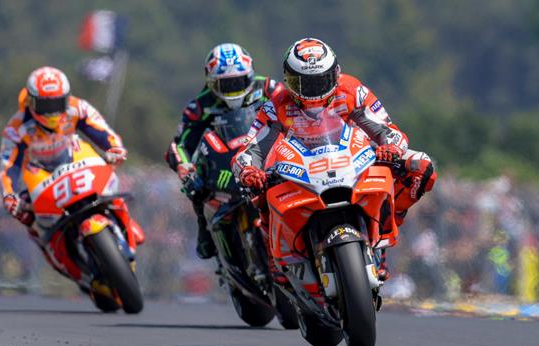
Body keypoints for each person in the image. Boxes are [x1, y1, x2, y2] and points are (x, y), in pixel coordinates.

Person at [233, 38, 437, 281]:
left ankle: (386, 225)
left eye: (320, 80)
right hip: (298, 167)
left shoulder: (352, 91)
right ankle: (277, 260)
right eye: (302, 82)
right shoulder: (276, 105)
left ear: (335, 74)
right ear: (288, 80)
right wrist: (248, 171)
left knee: (422, 166)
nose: (312, 89)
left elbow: (386, 128)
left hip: (352, 157)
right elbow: (251, 146)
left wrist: (391, 148)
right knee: (258, 194)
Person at [0, 66, 139, 294]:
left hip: (73, 157)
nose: (53, 112)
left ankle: (124, 227)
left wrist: (114, 147)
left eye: (57, 103)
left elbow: (100, 129)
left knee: (109, 182)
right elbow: (9, 166)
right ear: (32, 102)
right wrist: (10, 195)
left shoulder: (76, 107)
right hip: (39, 171)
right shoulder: (16, 128)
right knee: (32, 222)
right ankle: (75, 270)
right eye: (46, 105)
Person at [165, 43, 284, 259]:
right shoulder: (199, 106)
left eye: (238, 82)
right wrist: (185, 168)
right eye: (225, 84)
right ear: (211, 82)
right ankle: (205, 231)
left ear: (250, 75)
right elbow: (180, 145)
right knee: (196, 191)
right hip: (223, 168)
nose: (233, 89)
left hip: (266, 158)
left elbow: (295, 114)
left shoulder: (269, 89)